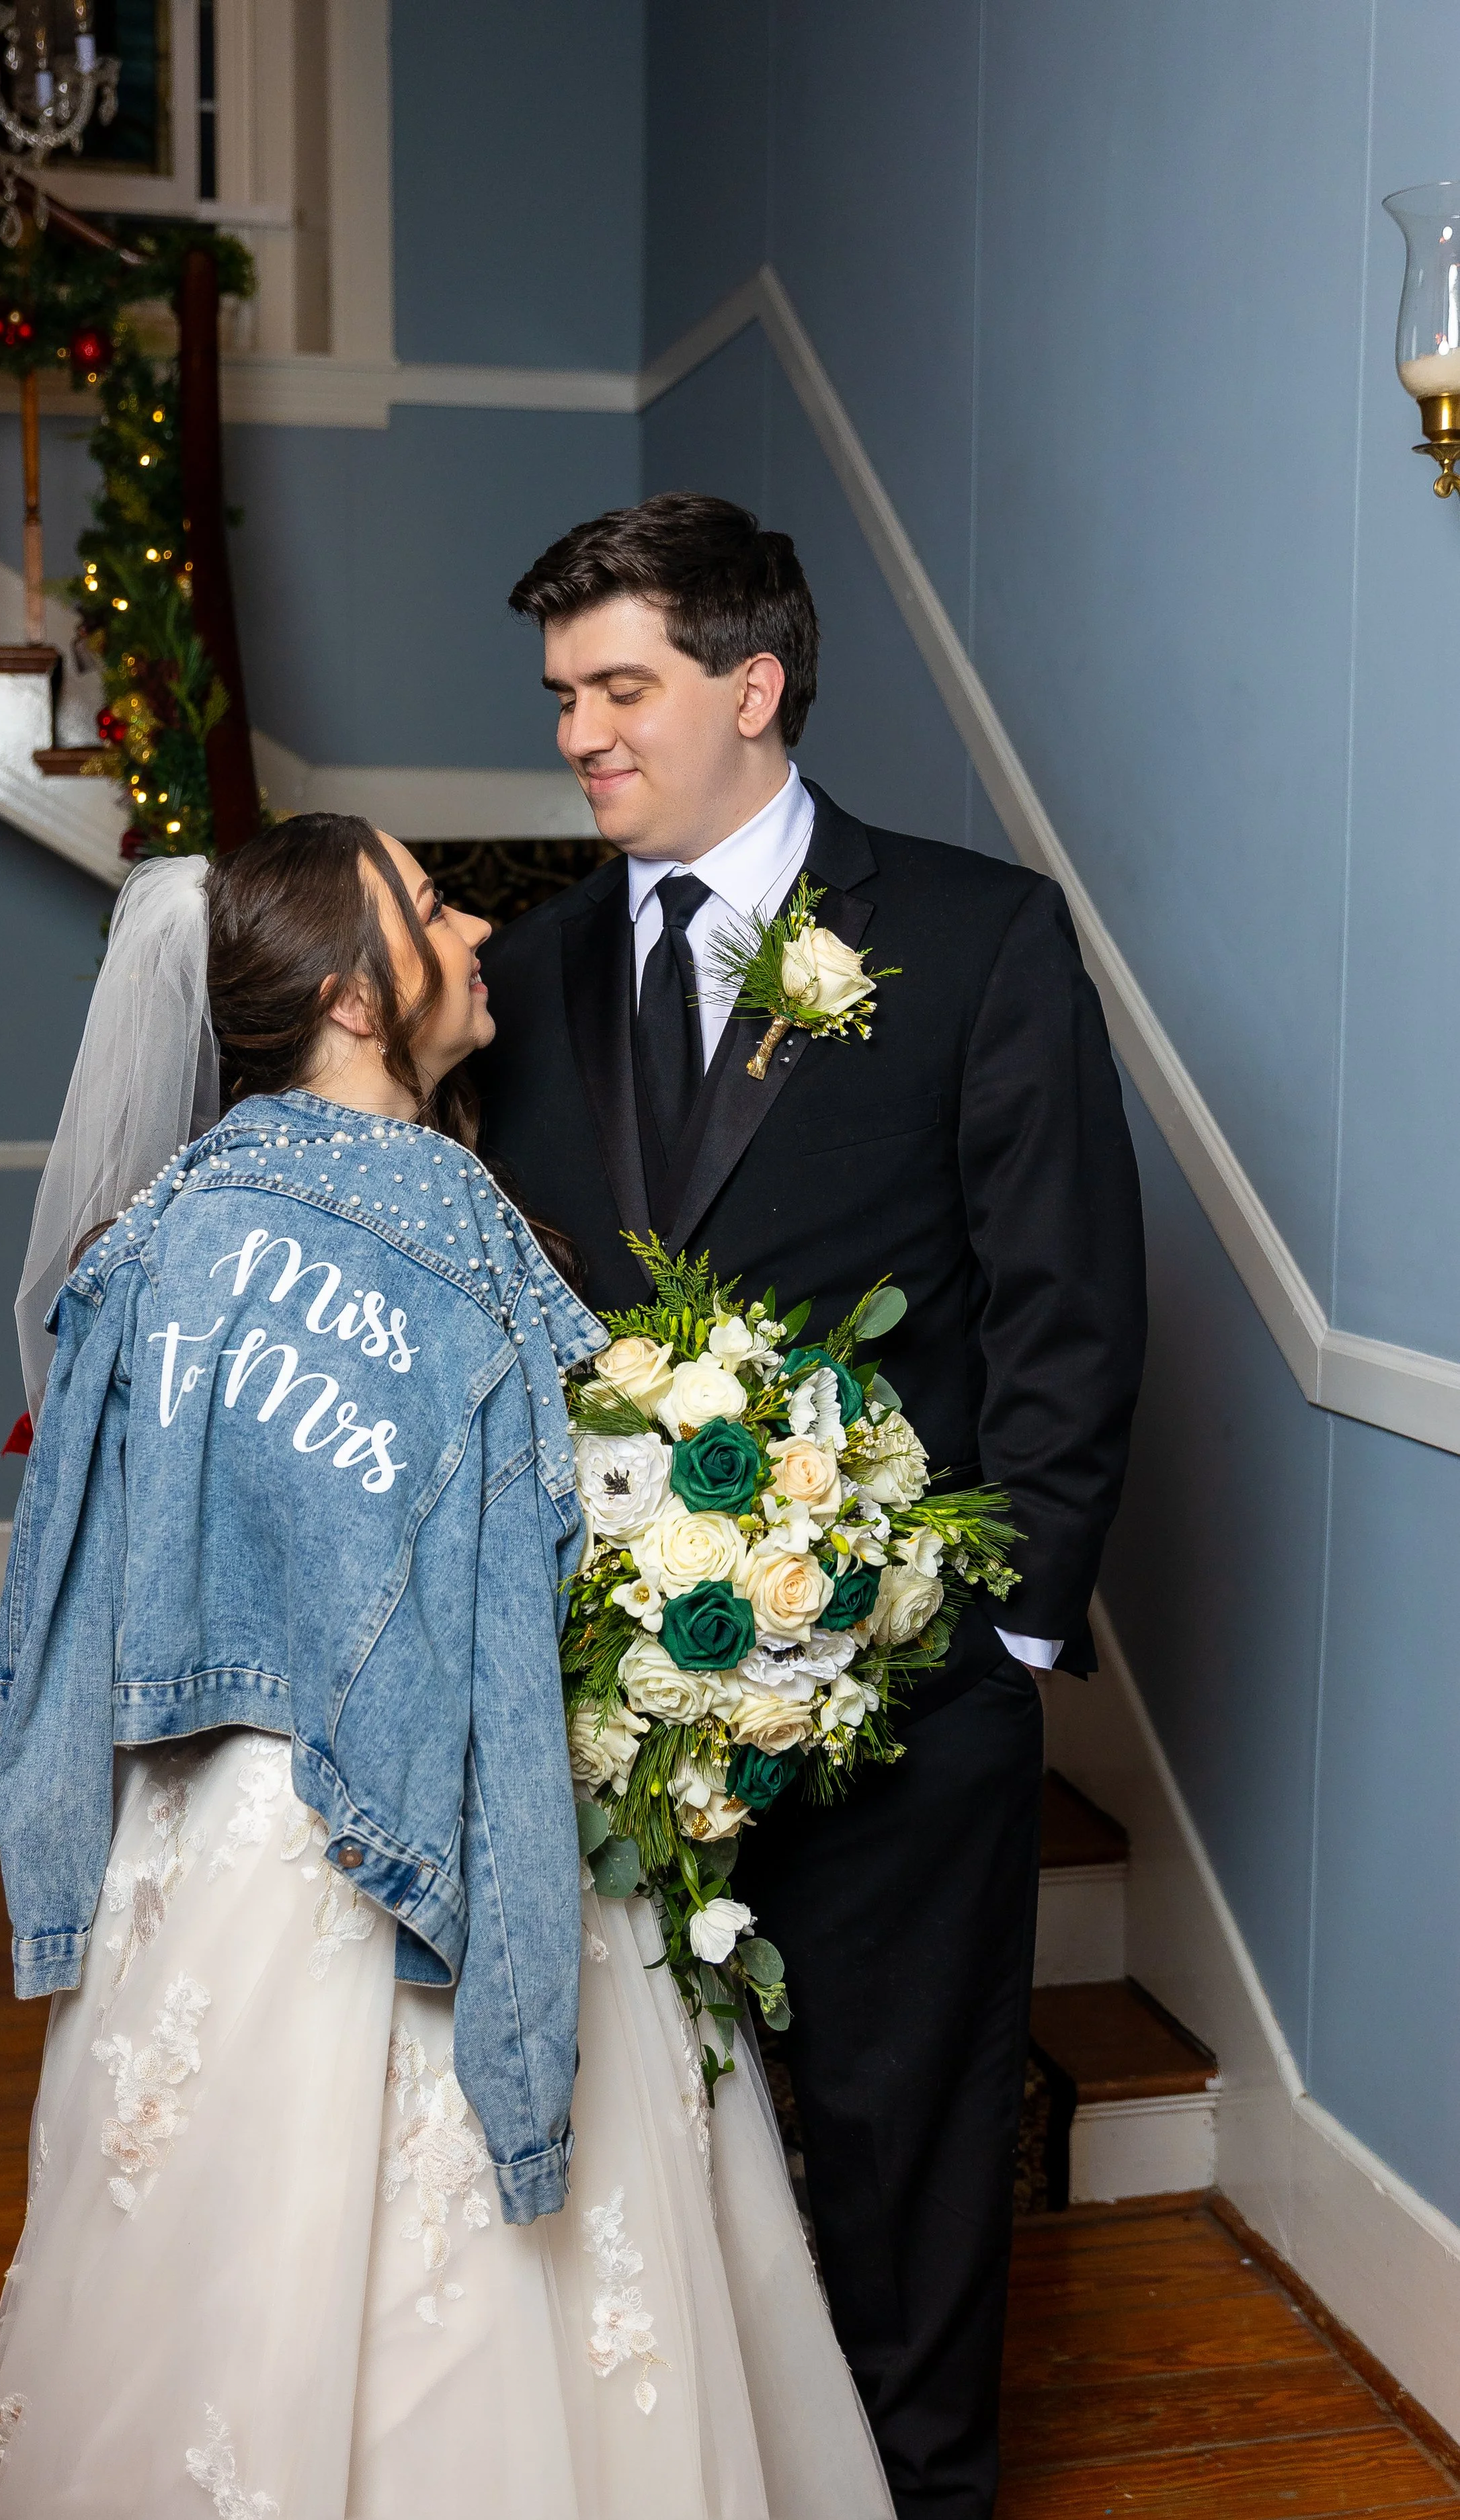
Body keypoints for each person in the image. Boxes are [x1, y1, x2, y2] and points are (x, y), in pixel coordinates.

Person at [0, 813, 895, 2517]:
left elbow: (84, 1582)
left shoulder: (169, 1226)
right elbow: (564, 1529)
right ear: (346, 993)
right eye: (429, 903)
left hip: (206, 1836)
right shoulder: (441, 1223)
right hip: (441, 1806)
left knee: (213, 2257)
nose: (477, 927)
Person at [474, 495, 1148, 2515]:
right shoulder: (520, 964)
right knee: (632, 2150)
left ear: (749, 685)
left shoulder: (975, 931)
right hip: (608, 1707)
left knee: (906, 2133)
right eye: (561, 698)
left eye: (619, 687)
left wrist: (996, 1636)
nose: (579, 734)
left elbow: (1067, 1297)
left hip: (905, 1696)